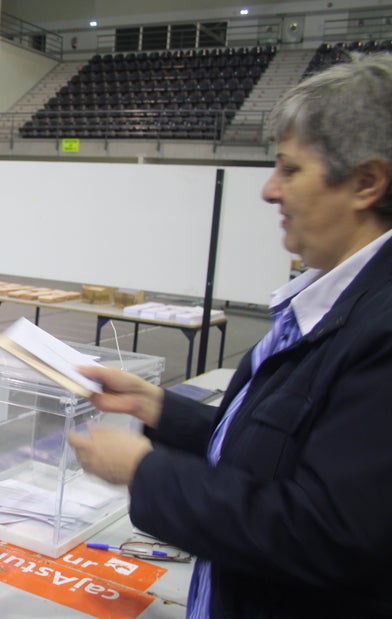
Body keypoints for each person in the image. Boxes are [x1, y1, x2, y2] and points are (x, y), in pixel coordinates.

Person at [68, 53, 392, 618]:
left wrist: (146, 472)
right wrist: (162, 410)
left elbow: (325, 532)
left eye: (290, 170)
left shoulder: (380, 331)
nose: (269, 191)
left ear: (365, 182)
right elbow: (278, 452)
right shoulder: (333, 300)